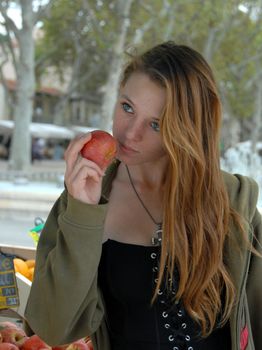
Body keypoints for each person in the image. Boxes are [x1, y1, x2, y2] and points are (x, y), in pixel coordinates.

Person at [25, 41, 262, 350]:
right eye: (127, 107)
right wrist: (84, 212)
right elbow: (54, 328)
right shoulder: (84, 201)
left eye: (156, 124)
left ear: (186, 129)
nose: (130, 133)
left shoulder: (232, 202)